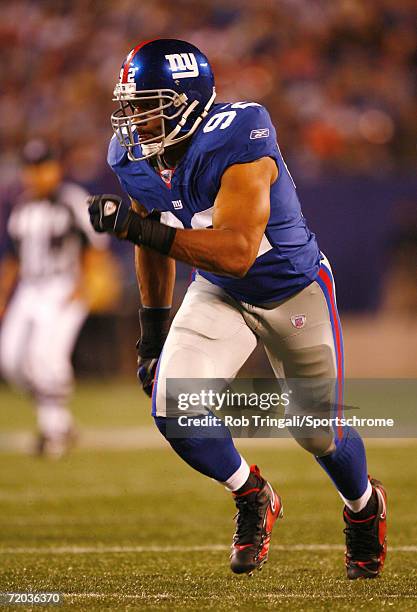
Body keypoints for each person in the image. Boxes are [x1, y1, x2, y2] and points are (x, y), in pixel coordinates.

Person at [88, 39, 387, 578]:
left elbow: (238, 251)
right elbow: (151, 243)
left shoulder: (239, 134)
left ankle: (364, 507)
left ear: (187, 101)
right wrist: (153, 332)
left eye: (147, 104)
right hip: (220, 292)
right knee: (173, 408)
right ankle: (252, 494)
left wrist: (140, 228)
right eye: (130, 105)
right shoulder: (131, 156)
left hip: (291, 289)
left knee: (317, 432)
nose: (134, 119)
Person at [0, 140, 108, 457]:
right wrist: (5, 294)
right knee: (11, 361)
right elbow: (13, 257)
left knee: (46, 357)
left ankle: (53, 430)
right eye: (30, 168)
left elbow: (94, 246)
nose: (36, 175)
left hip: (62, 284)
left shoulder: (71, 200)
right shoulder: (22, 206)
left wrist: (85, 285)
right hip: (29, 288)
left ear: (55, 168)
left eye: (42, 167)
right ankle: (60, 423)